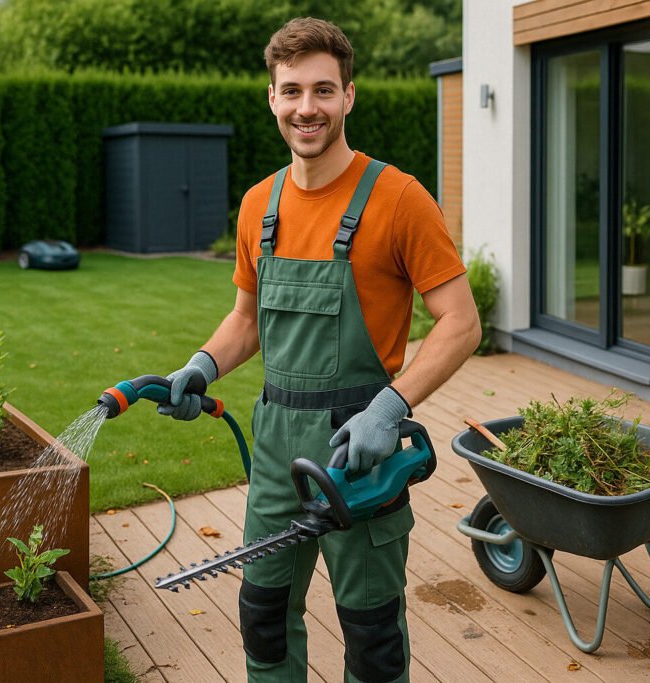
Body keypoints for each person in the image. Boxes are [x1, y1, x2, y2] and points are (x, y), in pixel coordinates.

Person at [158, 16, 480, 683]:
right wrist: (200, 366)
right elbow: (246, 319)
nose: (307, 107)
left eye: (323, 90)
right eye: (292, 91)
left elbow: (461, 322)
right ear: (272, 98)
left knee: (372, 636)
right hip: (277, 446)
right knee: (264, 616)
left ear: (348, 96)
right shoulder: (259, 204)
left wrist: (389, 408)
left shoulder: (399, 199)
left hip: (358, 450)